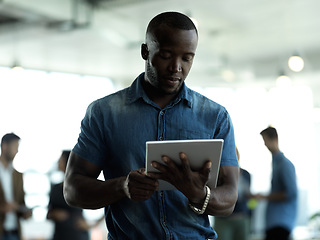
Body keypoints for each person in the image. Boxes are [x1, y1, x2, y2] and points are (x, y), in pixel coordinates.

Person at [63, 11, 239, 240]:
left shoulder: (215, 116)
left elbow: (230, 198)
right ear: (145, 51)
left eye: (187, 58)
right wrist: (122, 187)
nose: (176, 67)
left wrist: (198, 194)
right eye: (166, 55)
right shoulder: (104, 113)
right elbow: (72, 190)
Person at [253, 126, 297, 240]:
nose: (265, 144)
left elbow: (290, 193)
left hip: (281, 224)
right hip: (273, 223)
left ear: (274, 139)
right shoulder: (276, 163)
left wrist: (264, 196)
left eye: (265, 140)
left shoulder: (285, 164)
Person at [47, 150, 90, 240]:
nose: (58, 162)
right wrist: (55, 214)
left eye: (61, 159)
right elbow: (48, 214)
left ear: (68, 162)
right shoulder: (55, 188)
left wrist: (92, 224)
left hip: (77, 235)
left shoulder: (80, 187)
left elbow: (105, 203)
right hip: (59, 235)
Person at [214, 147, 252, 240]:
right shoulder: (218, 174)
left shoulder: (246, 174)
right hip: (223, 219)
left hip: (242, 217)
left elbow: (248, 196)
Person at [0, 133, 32, 240]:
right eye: (15, 147)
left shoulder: (18, 175)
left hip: (14, 232)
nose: (17, 151)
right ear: (4, 146)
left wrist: (25, 211)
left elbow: (21, 202)